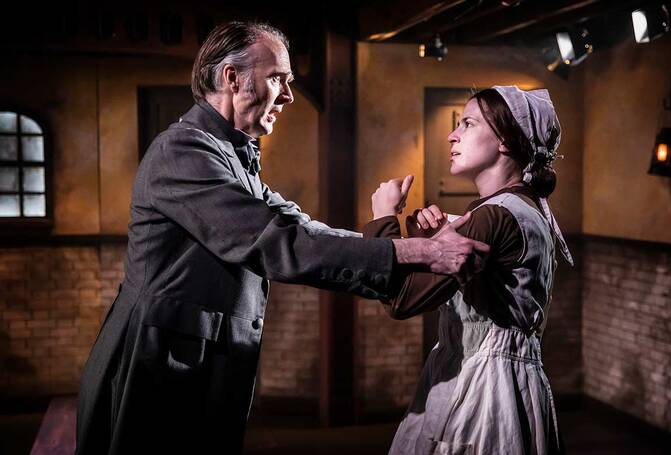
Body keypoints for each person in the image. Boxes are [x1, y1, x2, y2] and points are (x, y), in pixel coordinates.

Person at [75, 21, 488, 455]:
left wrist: (411, 261)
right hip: (159, 371)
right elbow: (279, 244)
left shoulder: (232, 154)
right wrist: (419, 251)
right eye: (278, 78)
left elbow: (304, 229)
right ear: (232, 78)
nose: (289, 95)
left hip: (192, 369)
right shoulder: (183, 151)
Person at [367, 86, 574, 454]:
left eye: (467, 123)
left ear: (506, 142)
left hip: (480, 391)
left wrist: (384, 219)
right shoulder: (523, 209)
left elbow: (401, 302)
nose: (452, 134)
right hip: (514, 386)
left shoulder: (494, 216)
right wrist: (434, 242)